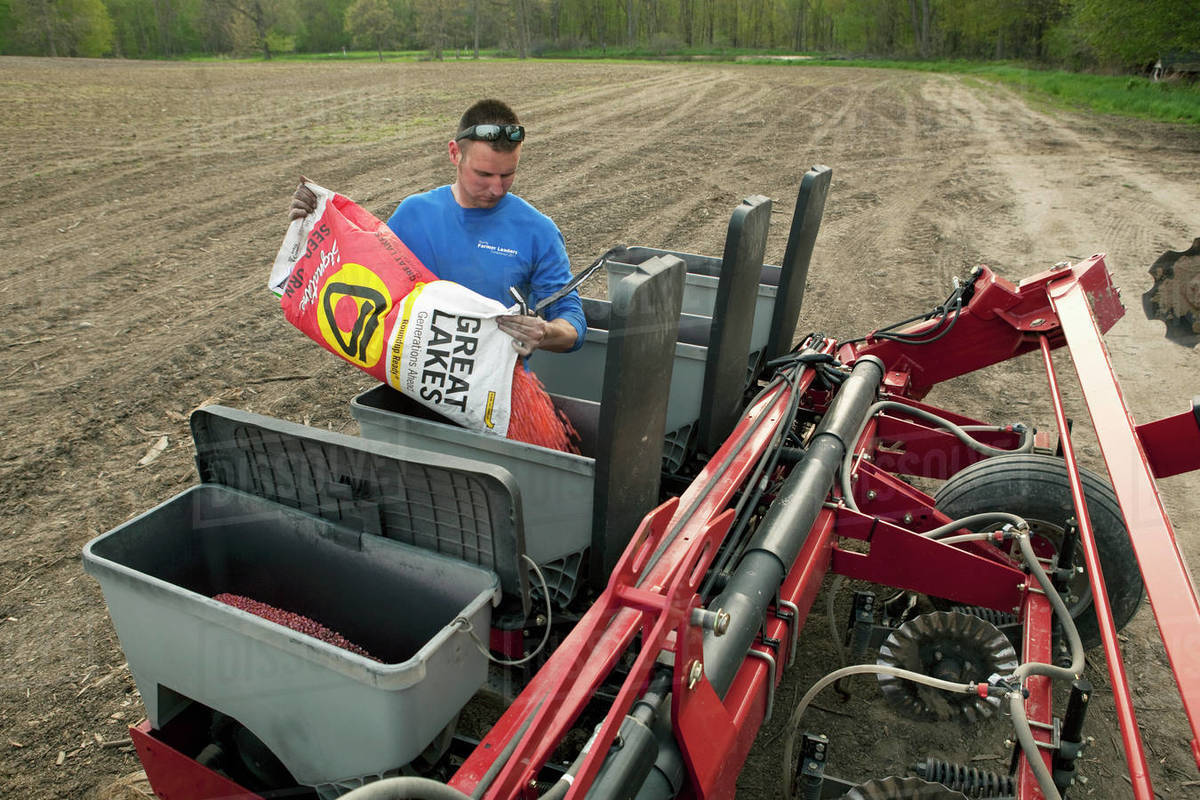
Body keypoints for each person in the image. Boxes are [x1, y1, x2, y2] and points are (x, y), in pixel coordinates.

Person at [290, 99, 584, 357]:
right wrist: (312, 224)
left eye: (508, 174)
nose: (497, 188)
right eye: (483, 174)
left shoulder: (538, 231)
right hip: (410, 384)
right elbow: (359, 281)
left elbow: (572, 321)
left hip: (495, 396)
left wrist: (544, 332)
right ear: (455, 153)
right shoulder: (413, 215)